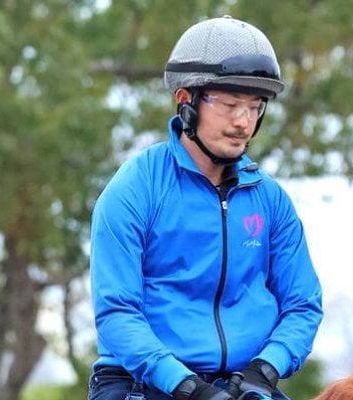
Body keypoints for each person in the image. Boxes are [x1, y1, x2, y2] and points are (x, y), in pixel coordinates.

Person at [88, 15, 323, 400]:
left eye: (255, 107)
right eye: (230, 104)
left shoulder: (271, 200)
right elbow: (117, 313)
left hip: (244, 385)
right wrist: (188, 387)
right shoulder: (135, 188)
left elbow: (303, 305)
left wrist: (265, 369)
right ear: (186, 100)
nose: (243, 122)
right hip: (144, 383)